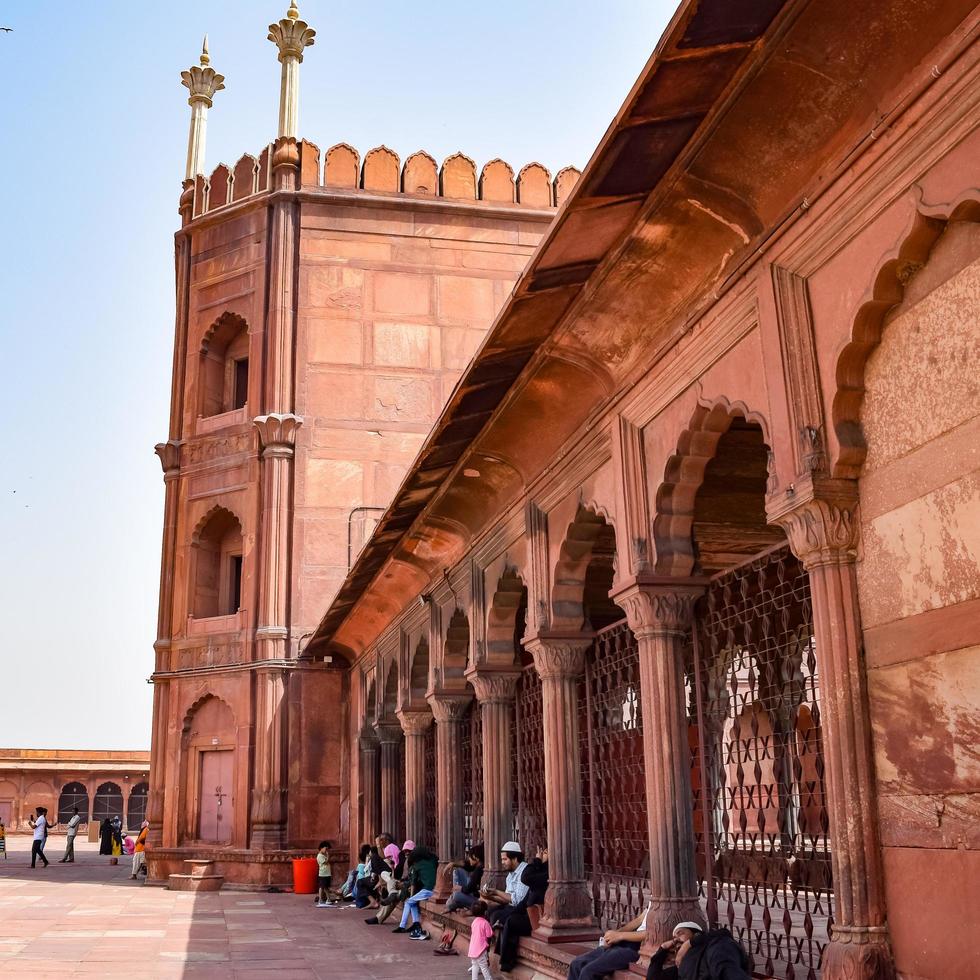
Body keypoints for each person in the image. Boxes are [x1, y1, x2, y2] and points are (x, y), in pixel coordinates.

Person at [490, 845, 548, 973]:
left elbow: (526, 877)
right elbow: (523, 903)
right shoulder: (540, 870)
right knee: (505, 917)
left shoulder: (545, 871)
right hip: (528, 912)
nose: (543, 855)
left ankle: (506, 962)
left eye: (546, 853)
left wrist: (538, 861)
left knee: (511, 922)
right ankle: (503, 960)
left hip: (540, 919)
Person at [568, 901, 653, 980]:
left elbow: (652, 934)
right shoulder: (654, 896)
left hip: (640, 949)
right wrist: (614, 934)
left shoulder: (664, 904)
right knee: (576, 964)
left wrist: (620, 935)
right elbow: (640, 919)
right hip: (627, 941)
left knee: (588, 972)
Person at [647, 922, 751, 980]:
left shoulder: (714, 944)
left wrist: (690, 943)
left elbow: (724, 932)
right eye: (674, 938)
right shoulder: (680, 968)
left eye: (680, 933)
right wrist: (662, 948)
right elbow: (653, 978)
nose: (676, 940)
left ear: (696, 934)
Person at [391, 843, 438, 940]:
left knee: (409, 902)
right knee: (412, 902)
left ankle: (404, 926)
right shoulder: (432, 860)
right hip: (436, 890)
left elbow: (413, 884)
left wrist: (412, 896)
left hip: (428, 890)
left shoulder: (416, 866)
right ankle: (414, 923)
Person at [446, 844, 485, 913]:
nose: (469, 859)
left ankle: (453, 902)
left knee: (456, 896)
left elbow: (469, 889)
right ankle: (454, 901)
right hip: (471, 894)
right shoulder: (478, 866)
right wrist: (453, 864)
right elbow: (468, 866)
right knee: (458, 870)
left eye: (469, 857)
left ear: (475, 857)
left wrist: (460, 888)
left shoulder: (479, 869)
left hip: (477, 900)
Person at [467, 900, 495, 980]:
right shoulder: (485, 923)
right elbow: (489, 934)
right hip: (481, 949)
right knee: (484, 967)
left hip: (473, 948)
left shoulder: (474, 922)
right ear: (485, 912)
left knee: (475, 965)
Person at [316, 840, 336, 907]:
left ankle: (328, 899)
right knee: (322, 887)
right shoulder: (319, 856)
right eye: (326, 849)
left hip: (327, 874)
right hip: (323, 874)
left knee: (326, 887)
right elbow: (326, 862)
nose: (327, 851)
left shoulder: (324, 855)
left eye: (327, 849)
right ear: (321, 848)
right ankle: (320, 900)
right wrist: (328, 856)